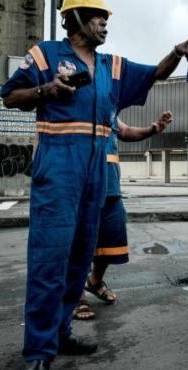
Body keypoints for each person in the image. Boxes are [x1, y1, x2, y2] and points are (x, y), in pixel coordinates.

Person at [0, 0, 188, 370]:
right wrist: (47, 89)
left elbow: (155, 73)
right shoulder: (46, 54)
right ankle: (40, 351)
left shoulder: (111, 66)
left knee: (80, 259)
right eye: (98, 16)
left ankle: (61, 333)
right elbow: (10, 96)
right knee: (49, 259)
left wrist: (177, 52)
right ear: (76, 18)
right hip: (59, 168)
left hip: (96, 171)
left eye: (106, 18)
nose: (104, 23)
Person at [74, 111, 175, 320]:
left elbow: (126, 131)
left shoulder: (108, 108)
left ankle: (94, 281)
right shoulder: (76, 106)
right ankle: (77, 296)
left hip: (111, 188)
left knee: (111, 243)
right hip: (82, 188)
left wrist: (154, 128)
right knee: (80, 246)